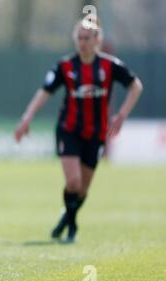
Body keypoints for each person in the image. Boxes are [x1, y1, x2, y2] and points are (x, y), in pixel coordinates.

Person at [14, 18, 143, 243]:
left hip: (96, 134)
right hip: (69, 130)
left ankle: (66, 217)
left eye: (87, 38)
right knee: (73, 182)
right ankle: (72, 226)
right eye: (79, 38)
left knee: (82, 190)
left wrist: (122, 114)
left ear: (97, 40)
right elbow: (44, 92)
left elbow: (136, 85)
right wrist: (27, 117)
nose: (82, 43)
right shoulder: (65, 66)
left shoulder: (109, 66)